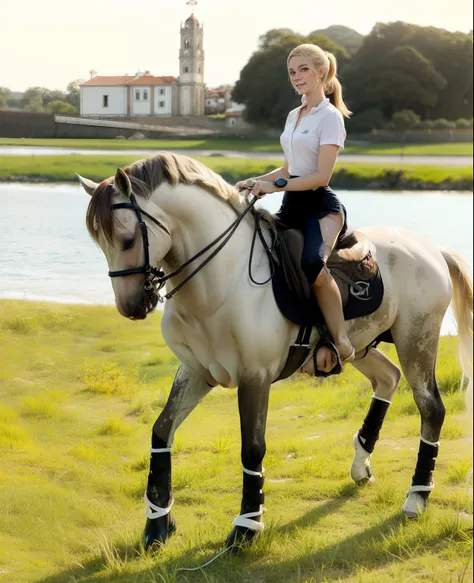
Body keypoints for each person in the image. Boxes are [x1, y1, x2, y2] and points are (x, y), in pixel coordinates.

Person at [236, 43, 355, 376]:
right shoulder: (295, 114)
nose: (297, 77)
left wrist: (272, 187)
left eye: (303, 69)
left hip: (320, 207)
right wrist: (254, 181)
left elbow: (320, 176)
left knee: (312, 265)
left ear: (321, 72)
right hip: (291, 204)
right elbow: (288, 168)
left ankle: (341, 338)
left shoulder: (329, 117)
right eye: (292, 71)